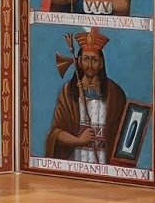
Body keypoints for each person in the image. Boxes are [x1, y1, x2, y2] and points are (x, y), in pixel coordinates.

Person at [44, 29, 128, 166]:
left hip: (104, 162)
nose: (89, 65)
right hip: (75, 161)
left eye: (94, 60)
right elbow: (55, 133)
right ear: (79, 62)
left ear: (101, 63)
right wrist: (79, 141)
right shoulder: (68, 91)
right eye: (86, 59)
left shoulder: (115, 93)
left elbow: (123, 133)